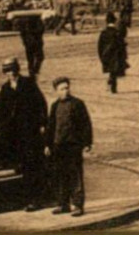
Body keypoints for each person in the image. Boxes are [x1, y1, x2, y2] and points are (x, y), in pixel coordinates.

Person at [0, 58, 47, 211]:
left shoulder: (28, 83)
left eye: (13, 71)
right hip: (16, 133)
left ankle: (36, 200)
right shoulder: (6, 88)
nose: (11, 74)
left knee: (32, 166)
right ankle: (28, 198)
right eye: (8, 71)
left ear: (18, 70)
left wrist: (43, 123)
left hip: (30, 130)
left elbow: (41, 103)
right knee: (22, 165)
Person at [46, 76, 93, 217]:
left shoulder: (78, 104)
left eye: (67, 88)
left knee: (75, 176)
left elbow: (86, 124)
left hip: (73, 146)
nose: (66, 91)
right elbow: (51, 127)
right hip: (58, 146)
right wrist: (48, 144)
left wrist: (86, 143)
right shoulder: (55, 106)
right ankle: (63, 204)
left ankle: (78, 205)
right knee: (60, 175)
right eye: (62, 89)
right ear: (56, 91)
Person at [97, 12, 128, 93]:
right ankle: (113, 86)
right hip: (116, 55)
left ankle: (111, 83)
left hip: (106, 55)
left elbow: (100, 46)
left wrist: (101, 56)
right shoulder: (117, 33)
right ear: (114, 21)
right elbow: (121, 45)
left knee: (112, 71)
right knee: (114, 71)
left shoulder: (103, 33)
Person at [18, 9, 46, 79]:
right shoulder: (37, 20)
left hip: (28, 42)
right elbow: (41, 30)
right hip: (37, 42)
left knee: (30, 59)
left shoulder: (23, 21)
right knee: (40, 57)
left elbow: (22, 33)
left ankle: (31, 72)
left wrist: (24, 41)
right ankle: (35, 70)